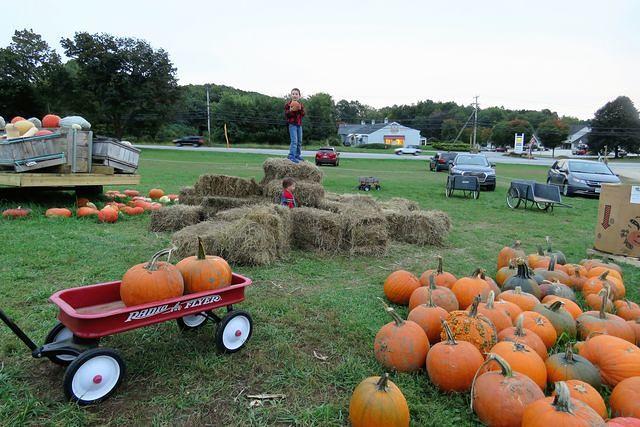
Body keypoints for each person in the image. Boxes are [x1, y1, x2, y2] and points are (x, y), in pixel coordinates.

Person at [284, 88, 305, 163]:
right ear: (291, 95)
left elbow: (303, 114)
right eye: (293, 94)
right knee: (294, 141)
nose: (294, 95)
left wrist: (299, 109)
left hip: (299, 125)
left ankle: (297, 155)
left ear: (299, 96)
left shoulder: (300, 104)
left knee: (299, 141)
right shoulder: (288, 104)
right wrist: (291, 110)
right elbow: (287, 115)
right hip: (292, 125)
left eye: (296, 94)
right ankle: (291, 156)